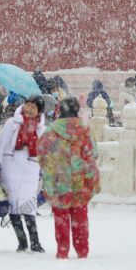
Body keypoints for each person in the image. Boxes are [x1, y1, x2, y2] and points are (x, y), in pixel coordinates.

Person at [37, 97, 101, 259]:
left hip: (59, 180)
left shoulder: (51, 130)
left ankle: (62, 250)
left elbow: (42, 152)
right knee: (80, 216)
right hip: (80, 180)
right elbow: (93, 153)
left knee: (61, 216)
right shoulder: (85, 129)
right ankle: (82, 249)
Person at [0, 95, 46, 252]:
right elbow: (0, 145)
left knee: (29, 205)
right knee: (13, 205)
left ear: (39, 111)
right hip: (10, 168)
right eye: (27, 105)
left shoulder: (42, 129)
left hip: (30, 170)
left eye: (33, 107)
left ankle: (35, 242)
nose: (29, 109)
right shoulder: (12, 123)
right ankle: (22, 242)